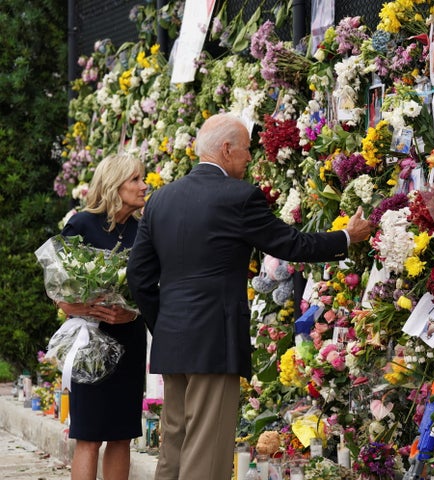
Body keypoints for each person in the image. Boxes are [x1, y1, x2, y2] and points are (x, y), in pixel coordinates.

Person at [127, 113, 372, 480]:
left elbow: (139, 276)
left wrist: (163, 324)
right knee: (206, 454)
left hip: (172, 339)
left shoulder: (161, 199)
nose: (249, 158)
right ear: (226, 150)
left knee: (174, 447)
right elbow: (291, 243)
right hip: (214, 341)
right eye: (245, 150)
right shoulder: (238, 197)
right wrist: (346, 237)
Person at [57, 153, 148, 480]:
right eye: (135, 179)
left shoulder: (144, 229)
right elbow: (58, 290)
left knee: (122, 433)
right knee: (89, 434)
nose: (143, 186)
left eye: (142, 178)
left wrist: (131, 313)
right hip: (90, 341)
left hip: (129, 340)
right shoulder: (81, 224)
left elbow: (151, 286)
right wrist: (79, 307)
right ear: (114, 185)